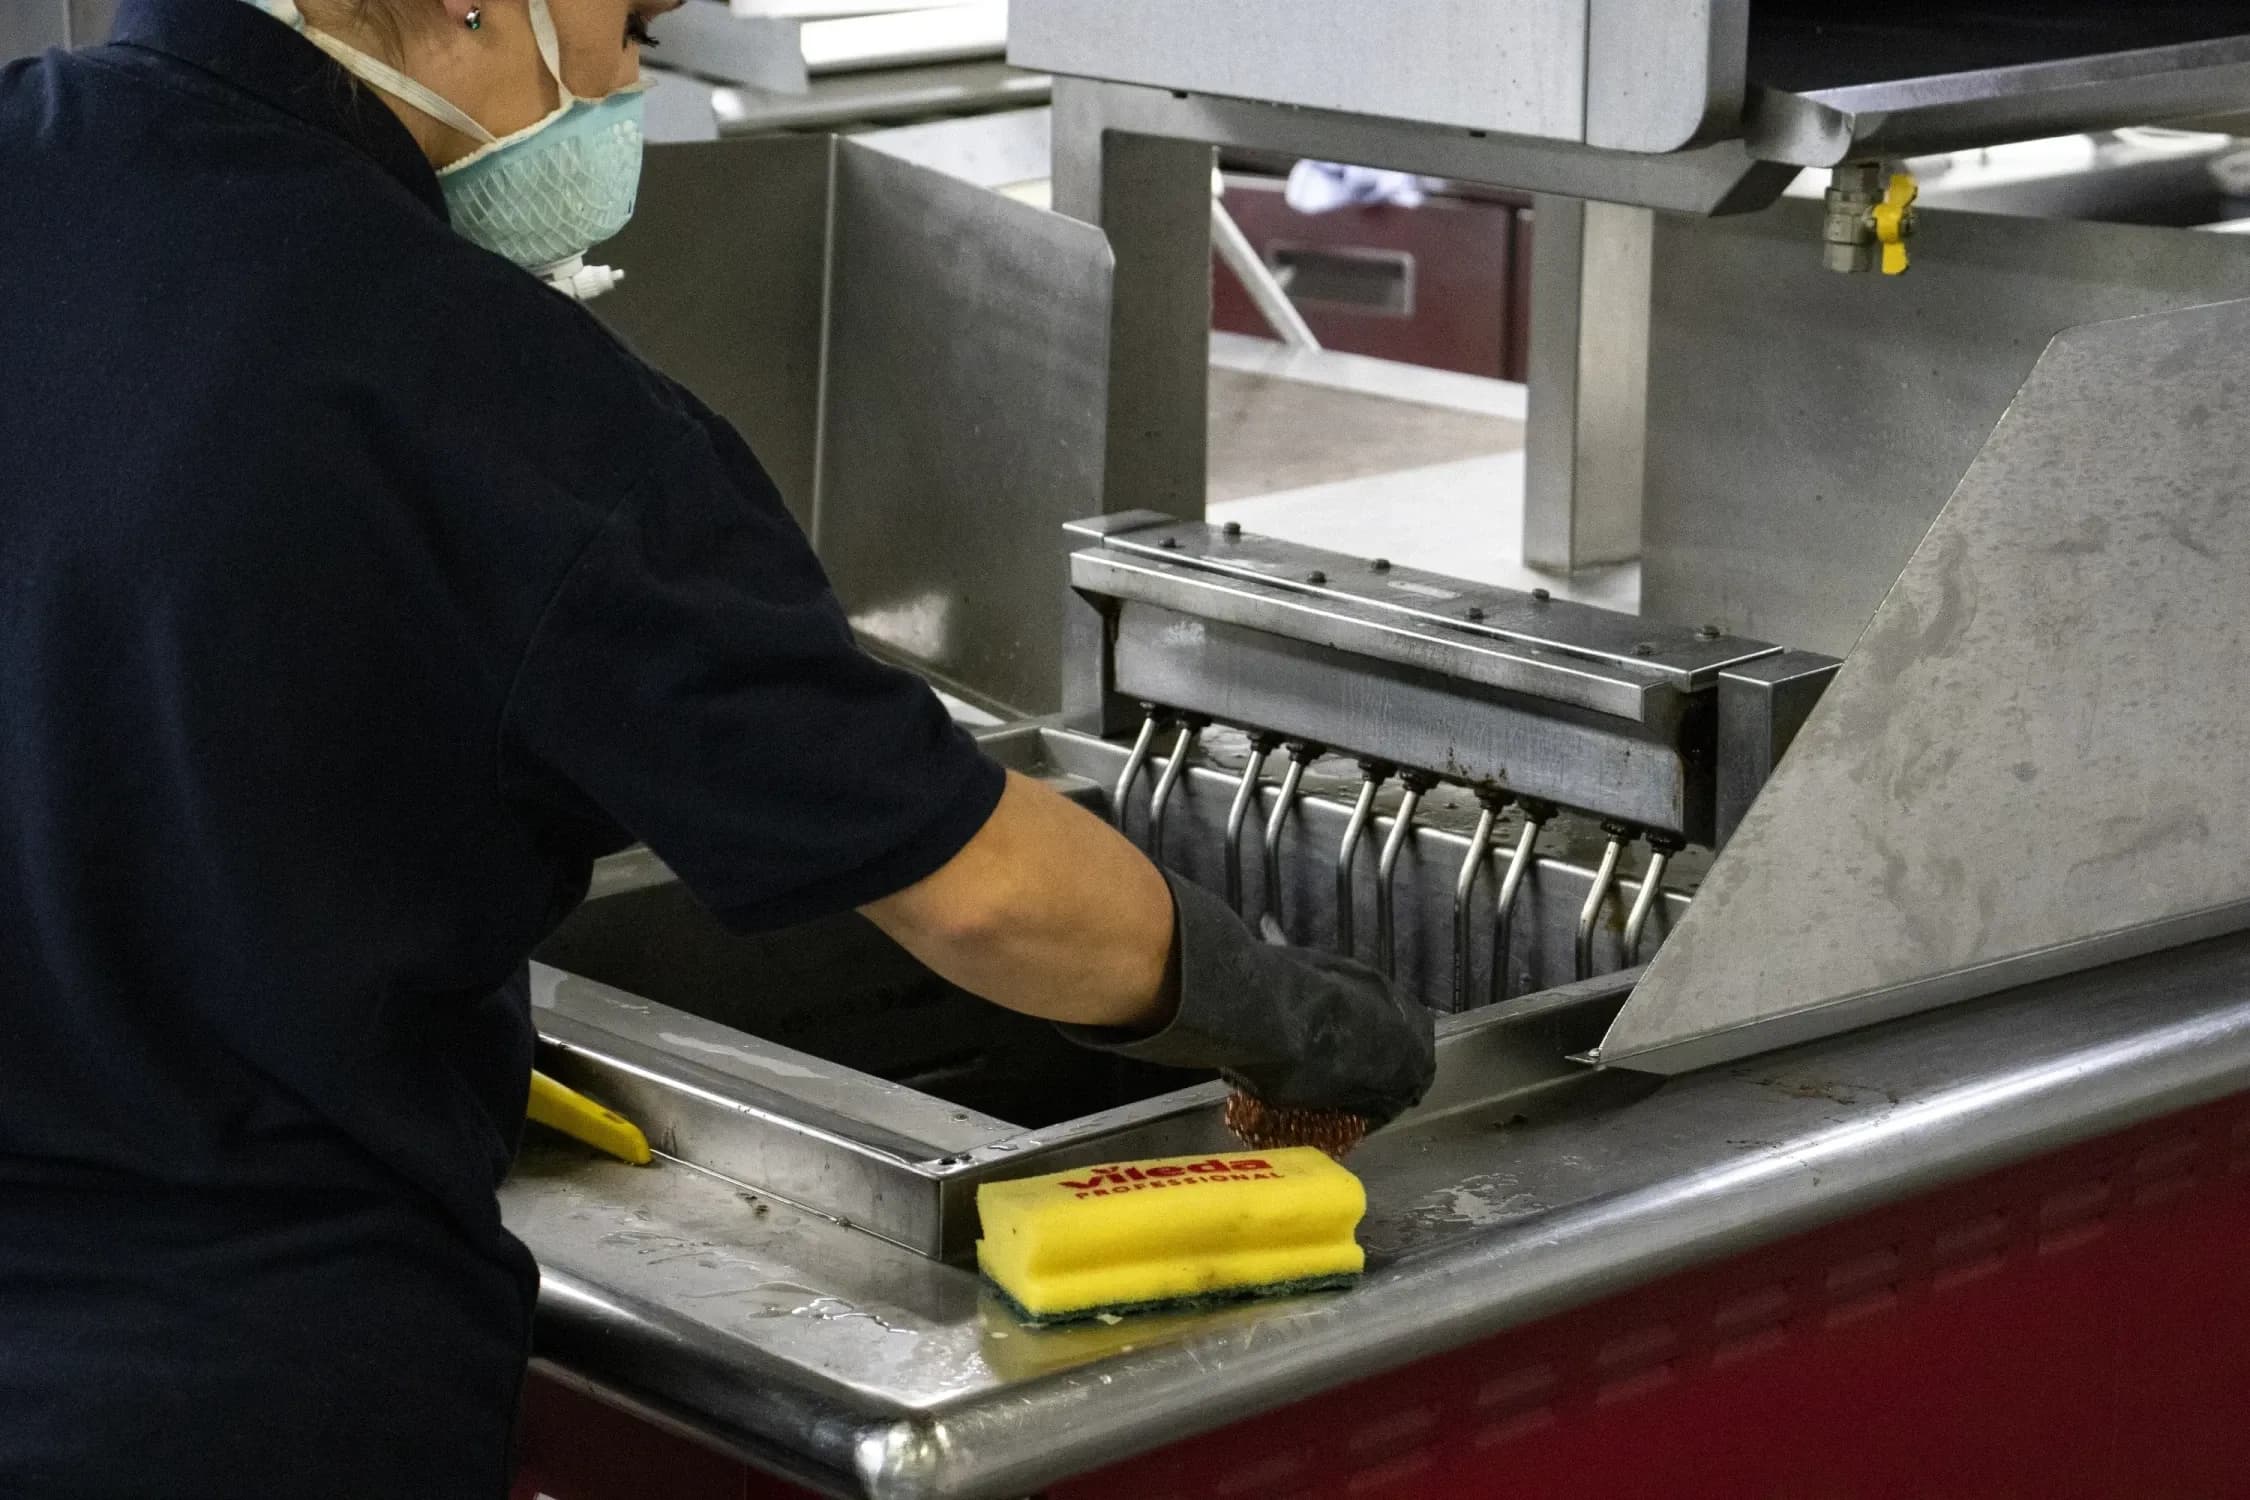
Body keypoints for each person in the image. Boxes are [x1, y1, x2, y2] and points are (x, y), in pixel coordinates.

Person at [0, 0, 1436, 1494]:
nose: (634, 80)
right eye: (633, 27)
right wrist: (1284, 1020)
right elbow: (980, 889)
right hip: (217, 1399)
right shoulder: (492, 385)